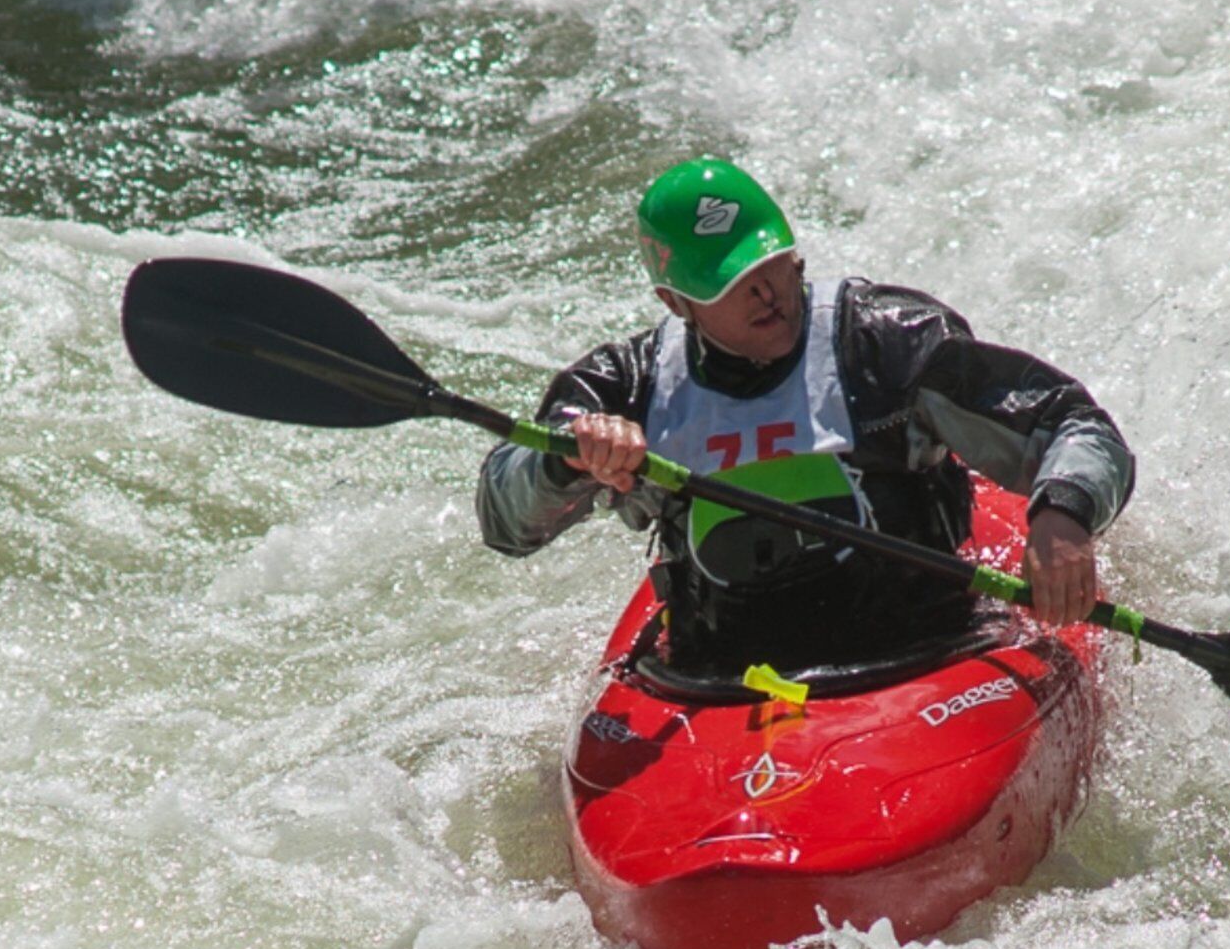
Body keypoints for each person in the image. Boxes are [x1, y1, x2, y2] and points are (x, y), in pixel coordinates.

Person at [477, 157, 1133, 678]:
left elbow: (1075, 424)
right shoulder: (627, 387)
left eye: (771, 264)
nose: (766, 291)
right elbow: (504, 521)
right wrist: (564, 460)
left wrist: (1063, 515)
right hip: (718, 680)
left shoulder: (887, 345)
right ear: (676, 303)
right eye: (732, 281)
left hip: (923, 652)